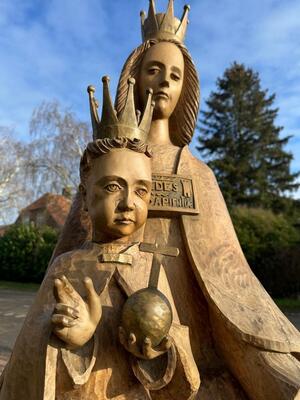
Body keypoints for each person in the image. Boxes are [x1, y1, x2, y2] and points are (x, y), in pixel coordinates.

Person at [50, 1, 300, 399]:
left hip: (187, 337)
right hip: (107, 324)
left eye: (175, 75)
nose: (164, 82)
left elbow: (228, 272)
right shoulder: (107, 168)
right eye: (154, 70)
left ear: (186, 88)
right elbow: (71, 254)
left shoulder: (196, 173)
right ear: (132, 78)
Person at [0, 79, 200, 399]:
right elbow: (27, 364)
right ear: (85, 193)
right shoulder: (68, 268)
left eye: (141, 190)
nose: (128, 203)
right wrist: (77, 342)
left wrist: (157, 350)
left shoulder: (153, 267)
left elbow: (182, 369)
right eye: (111, 187)